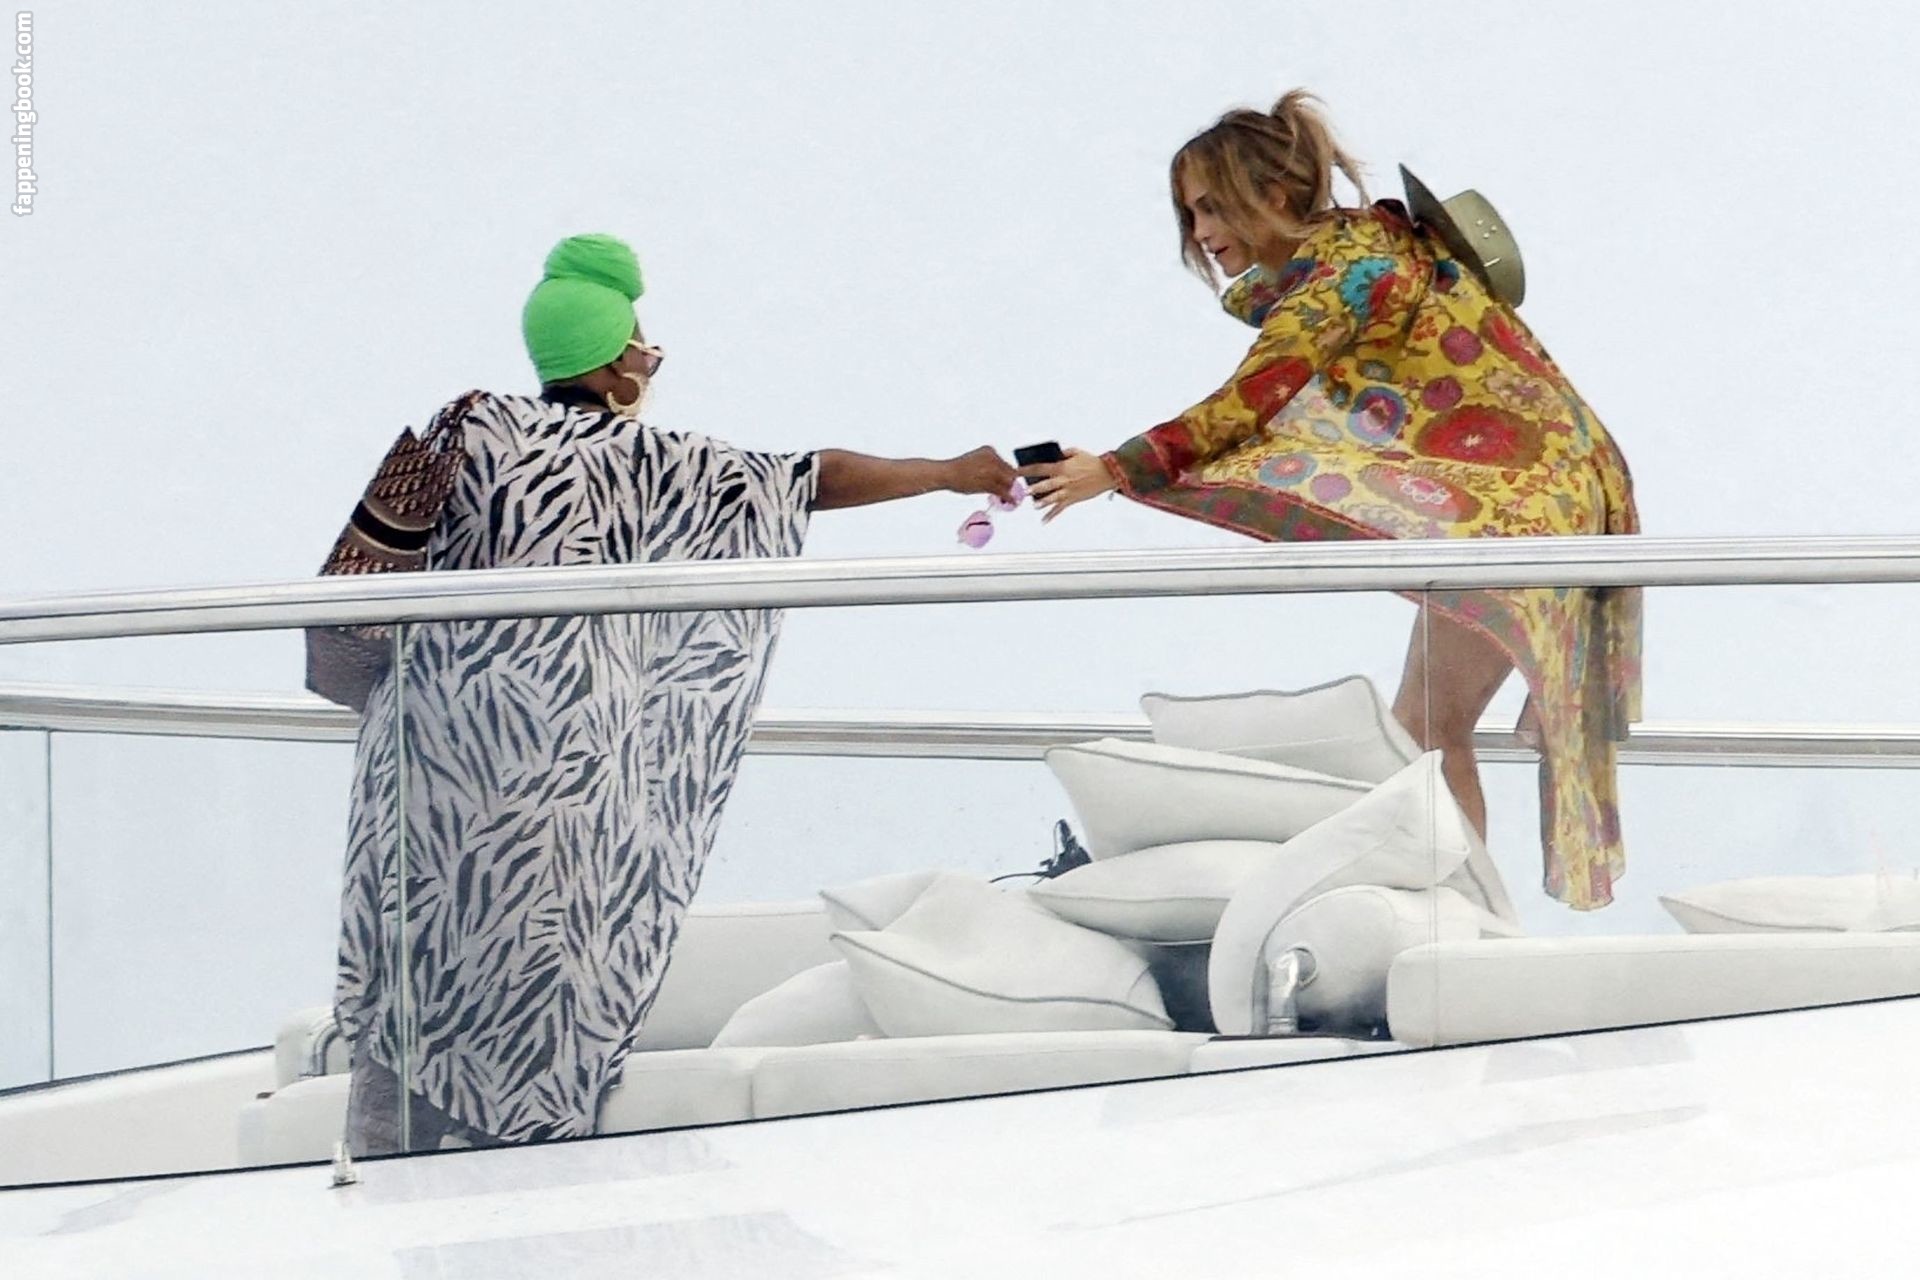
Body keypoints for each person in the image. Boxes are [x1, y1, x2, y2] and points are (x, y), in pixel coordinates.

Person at [335, 233, 1018, 1152]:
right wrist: (948, 472)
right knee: (542, 978)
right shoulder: (653, 460)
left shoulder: (471, 428)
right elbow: (811, 478)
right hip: (558, 782)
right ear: (610, 362)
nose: (649, 370)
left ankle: (387, 1173)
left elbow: (365, 573)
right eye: (645, 352)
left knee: (414, 975)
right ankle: (516, 1172)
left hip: (426, 761)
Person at [1025, 91, 1640, 911]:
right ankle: (1462, 913)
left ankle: (1466, 918)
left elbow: (1253, 398)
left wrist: (1114, 468)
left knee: (1430, 727)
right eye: (1190, 215)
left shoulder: (1345, 270)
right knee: (1425, 725)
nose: (1200, 233)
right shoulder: (1361, 247)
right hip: (1539, 496)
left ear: (1273, 194)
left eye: (1212, 207)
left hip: (1521, 506)